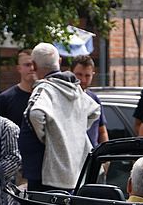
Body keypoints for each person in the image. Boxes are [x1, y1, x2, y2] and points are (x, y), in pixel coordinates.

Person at [18, 43, 100, 192]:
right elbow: (95, 110)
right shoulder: (75, 88)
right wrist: (75, 129)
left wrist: (49, 137)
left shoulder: (44, 88)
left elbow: (34, 114)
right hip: (74, 173)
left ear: (34, 66)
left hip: (47, 176)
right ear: (60, 61)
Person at [71, 55, 109, 147]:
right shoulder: (65, 98)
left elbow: (102, 131)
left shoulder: (94, 99)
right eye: (79, 75)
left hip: (92, 156)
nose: (83, 80)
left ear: (93, 75)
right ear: (71, 73)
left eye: (87, 75)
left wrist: (105, 154)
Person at [0, 49, 36, 127]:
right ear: (19, 68)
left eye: (34, 64)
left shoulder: (46, 95)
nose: (32, 68)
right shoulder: (5, 99)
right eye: (27, 65)